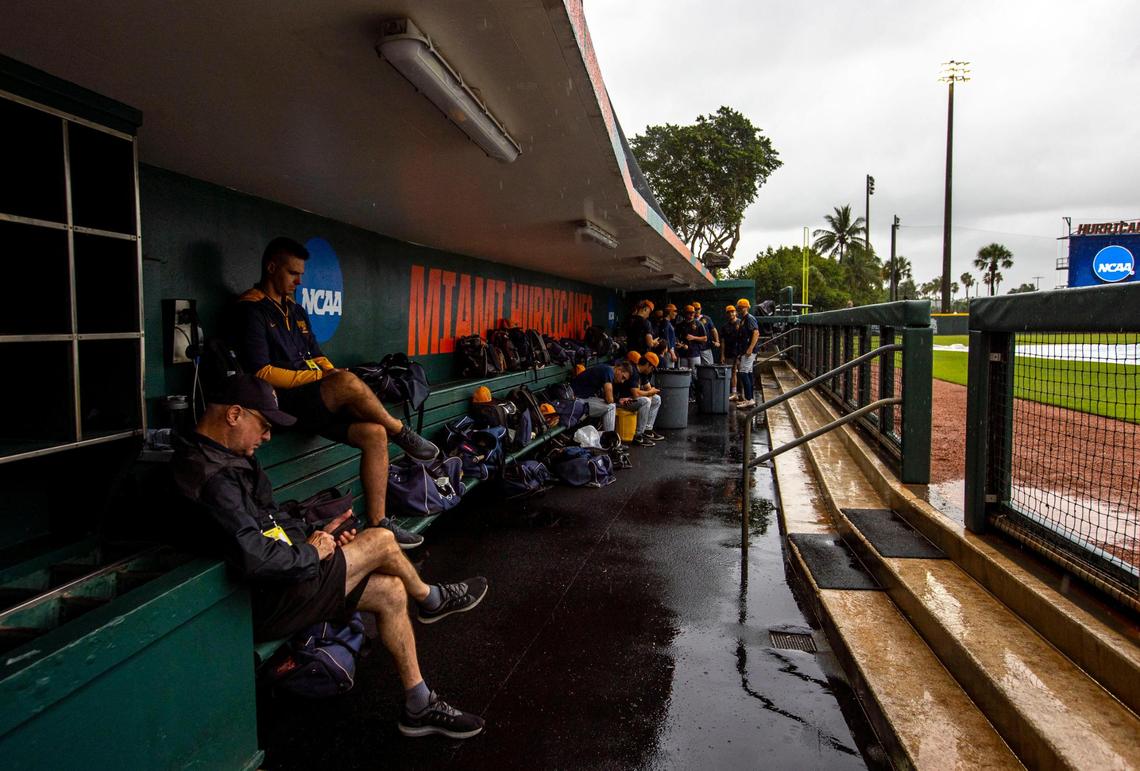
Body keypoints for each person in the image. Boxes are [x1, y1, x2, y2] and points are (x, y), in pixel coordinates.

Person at [170, 375, 487, 739]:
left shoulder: (235, 457)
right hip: (259, 603)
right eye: (264, 425)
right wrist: (311, 552)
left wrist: (317, 536)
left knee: (390, 592)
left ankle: (419, 705)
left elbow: (273, 519)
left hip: (288, 579)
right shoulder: (207, 474)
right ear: (234, 414)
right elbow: (255, 559)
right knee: (381, 540)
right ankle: (431, 599)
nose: (268, 437)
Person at [233, 237, 439, 549]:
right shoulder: (251, 309)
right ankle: (401, 432)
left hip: (312, 404)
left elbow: (317, 355)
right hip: (281, 405)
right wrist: (325, 376)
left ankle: (379, 523)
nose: (299, 280)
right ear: (271, 267)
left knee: (373, 434)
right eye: (292, 273)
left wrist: (332, 371)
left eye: (301, 273)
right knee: (347, 384)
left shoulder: (296, 311)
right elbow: (261, 372)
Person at [569, 359, 635, 433]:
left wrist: (619, 400)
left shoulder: (607, 369)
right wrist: (617, 402)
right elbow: (609, 399)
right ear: (619, 369)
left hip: (582, 398)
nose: (622, 381)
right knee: (611, 407)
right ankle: (609, 439)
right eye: (623, 377)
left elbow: (607, 398)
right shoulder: (608, 371)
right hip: (574, 399)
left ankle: (608, 437)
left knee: (611, 405)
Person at [619, 351, 665, 443]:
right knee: (646, 401)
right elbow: (635, 394)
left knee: (656, 399)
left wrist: (651, 393)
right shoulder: (634, 370)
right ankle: (638, 435)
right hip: (623, 401)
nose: (652, 370)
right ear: (647, 364)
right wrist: (649, 393)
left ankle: (647, 429)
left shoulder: (643, 373)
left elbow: (648, 388)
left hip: (632, 399)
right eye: (652, 368)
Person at [673, 305, 706, 400]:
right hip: (683, 354)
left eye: (692, 313)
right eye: (689, 313)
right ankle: (688, 395)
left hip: (694, 353)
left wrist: (693, 338)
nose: (691, 315)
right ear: (685, 314)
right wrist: (680, 345)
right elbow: (676, 339)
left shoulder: (698, 324)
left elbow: (705, 338)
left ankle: (698, 395)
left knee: (695, 374)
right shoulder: (680, 325)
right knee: (685, 374)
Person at [735, 298, 760, 408]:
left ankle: (749, 399)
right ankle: (749, 398)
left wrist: (750, 348)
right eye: (740, 307)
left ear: (747, 307)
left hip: (749, 351)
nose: (741, 309)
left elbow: (756, 333)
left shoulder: (749, 318)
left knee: (743, 373)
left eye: (743, 307)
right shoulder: (743, 319)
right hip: (745, 350)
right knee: (748, 373)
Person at [720, 305, 741, 401]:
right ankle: (734, 393)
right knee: (732, 372)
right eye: (729, 312)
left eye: (732, 312)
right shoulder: (725, 326)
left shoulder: (741, 323)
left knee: (743, 372)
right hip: (729, 352)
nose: (731, 313)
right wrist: (722, 355)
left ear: (736, 312)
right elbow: (723, 341)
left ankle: (745, 394)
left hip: (740, 352)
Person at [659, 304, 679, 368]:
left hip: (669, 350)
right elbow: (666, 339)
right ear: (669, 312)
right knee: (669, 371)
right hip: (668, 351)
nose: (676, 313)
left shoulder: (668, 322)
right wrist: (672, 353)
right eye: (675, 311)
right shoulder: (665, 322)